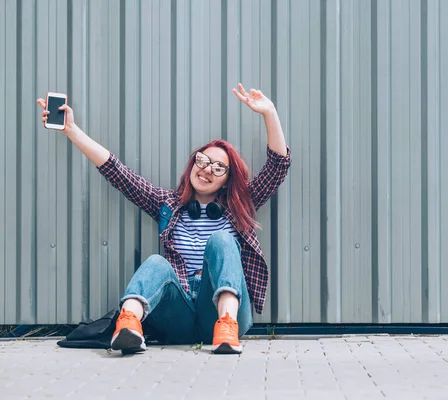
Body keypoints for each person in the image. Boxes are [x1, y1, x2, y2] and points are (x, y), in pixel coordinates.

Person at [36, 84, 291, 355]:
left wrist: (269, 112)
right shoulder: (168, 204)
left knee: (222, 240)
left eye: (218, 168)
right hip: (178, 316)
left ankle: (226, 325)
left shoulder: (239, 206)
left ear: (228, 181)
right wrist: (71, 130)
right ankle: (129, 326)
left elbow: (278, 166)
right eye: (202, 160)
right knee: (157, 262)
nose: (206, 169)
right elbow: (117, 172)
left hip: (220, 313)